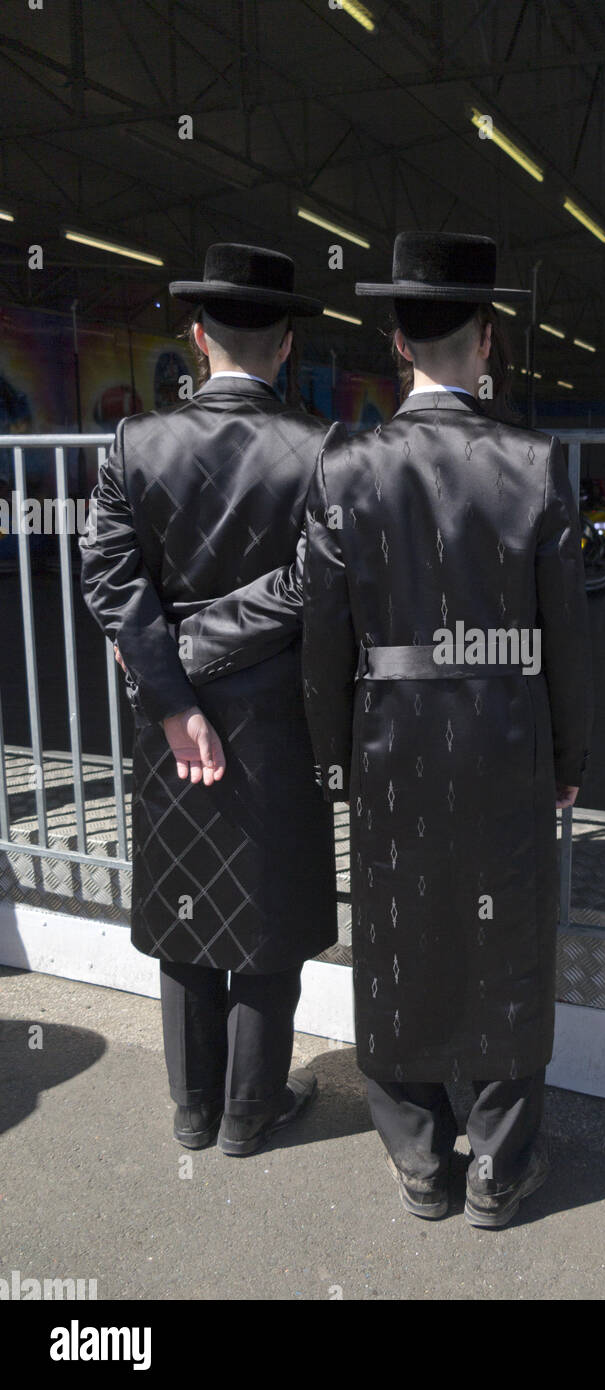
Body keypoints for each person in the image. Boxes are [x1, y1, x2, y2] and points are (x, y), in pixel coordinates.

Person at [177, 231, 593, 1226]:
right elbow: (567, 636)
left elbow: (326, 634)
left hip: (389, 737)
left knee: (400, 933)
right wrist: (567, 756)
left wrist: (333, 757)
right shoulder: (537, 463)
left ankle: (420, 1159)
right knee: (505, 938)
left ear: (399, 342)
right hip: (505, 731)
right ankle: (498, 1163)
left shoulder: (346, 465)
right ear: (485, 340)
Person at [79, 243, 339, 1158]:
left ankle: (190, 1113)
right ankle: (248, 1114)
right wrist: (213, 651)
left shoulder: (133, 443)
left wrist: (173, 680)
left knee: (183, 906)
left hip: (167, 717)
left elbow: (109, 580)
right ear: (285, 344)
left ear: (196, 338)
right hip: (280, 718)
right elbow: (317, 583)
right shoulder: (321, 449)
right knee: (270, 908)